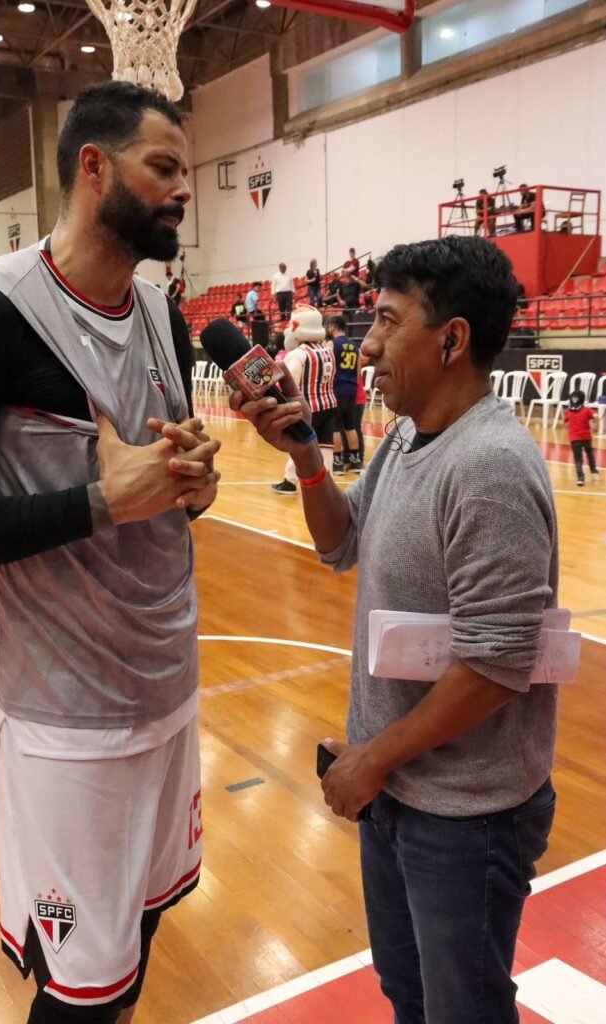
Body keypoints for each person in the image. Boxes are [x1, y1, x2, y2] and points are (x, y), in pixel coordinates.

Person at [0, 81, 221, 1024]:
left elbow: (164, 497)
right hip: (64, 716)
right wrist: (100, 503)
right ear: (92, 167)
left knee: (139, 942)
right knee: (79, 992)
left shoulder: (161, 312)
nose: (182, 189)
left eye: (184, 171)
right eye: (164, 167)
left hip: (166, 680)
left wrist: (189, 484)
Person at [232, 235, 558, 1024]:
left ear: (451, 339)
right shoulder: (409, 437)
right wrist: (307, 459)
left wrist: (370, 760)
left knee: (463, 1011)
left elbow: (496, 664)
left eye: (383, 321)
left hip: (464, 817)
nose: (364, 346)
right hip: (397, 792)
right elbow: (338, 543)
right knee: (409, 997)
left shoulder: (488, 468)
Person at [271, 305, 336, 495]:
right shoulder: (327, 352)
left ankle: (290, 481)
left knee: (300, 443)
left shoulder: (298, 354)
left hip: (307, 406)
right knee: (325, 445)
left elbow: (289, 382)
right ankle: (328, 483)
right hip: (329, 403)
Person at [325, 314, 365, 473]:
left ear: (333, 326)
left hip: (337, 388)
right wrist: (354, 385)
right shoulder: (354, 345)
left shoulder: (332, 344)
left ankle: (337, 462)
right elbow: (358, 369)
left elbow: (329, 368)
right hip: (351, 388)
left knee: (335, 427)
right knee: (350, 426)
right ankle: (355, 461)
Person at [564, 388, 599, 485]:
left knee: (578, 458)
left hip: (574, 439)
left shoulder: (569, 412)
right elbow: (596, 416)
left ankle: (580, 478)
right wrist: (596, 427)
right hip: (586, 437)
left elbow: (565, 422)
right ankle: (594, 471)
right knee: (589, 453)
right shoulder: (587, 410)